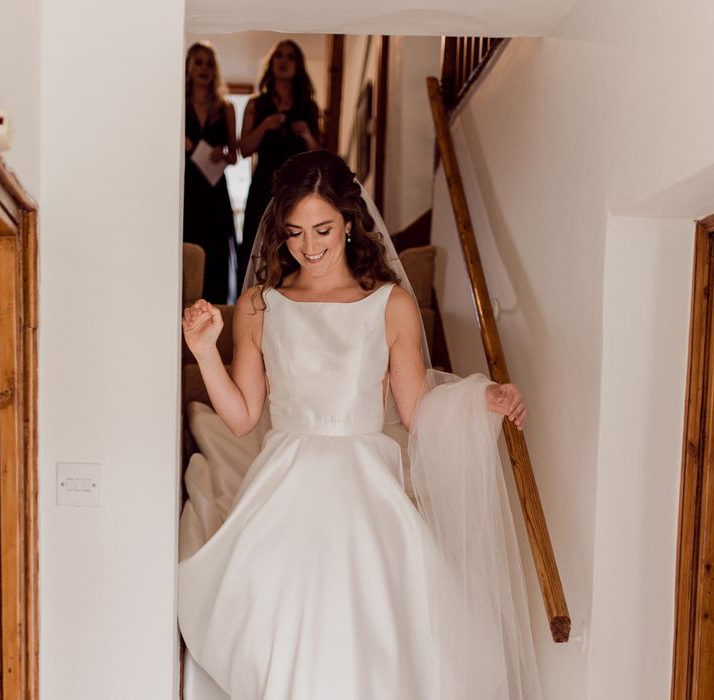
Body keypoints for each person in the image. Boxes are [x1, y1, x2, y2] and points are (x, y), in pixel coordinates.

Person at [179, 150, 542, 699]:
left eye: (322, 228)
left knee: (378, 635)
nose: (308, 245)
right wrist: (205, 351)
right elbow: (242, 417)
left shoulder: (390, 305)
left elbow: (419, 412)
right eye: (295, 231)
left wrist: (481, 399)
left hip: (366, 488)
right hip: (284, 486)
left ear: (349, 222)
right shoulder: (260, 305)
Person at [236, 40, 321, 292]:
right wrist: (265, 126)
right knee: (258, 244)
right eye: (279, 56)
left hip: (298, 190)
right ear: (271, 64)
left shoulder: (308, 107)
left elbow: (321, 155)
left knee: (293, 244)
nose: (283, 61)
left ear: (298, 66)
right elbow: (244, 149)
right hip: (263, 187)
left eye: (290, 57)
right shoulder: (256, 104)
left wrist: (306, 135)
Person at [183, 41, 237, 304]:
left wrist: (222, 154)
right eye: (199, 62)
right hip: (186, 188)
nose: (204, 68)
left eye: (208, 63)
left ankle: (213, 310)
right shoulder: (178, 103)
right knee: (187, 244)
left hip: (214, 191)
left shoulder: (225, 108)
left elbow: (234, 155)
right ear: (189, 67)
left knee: (215, 252)